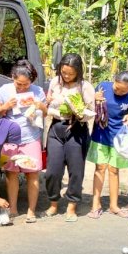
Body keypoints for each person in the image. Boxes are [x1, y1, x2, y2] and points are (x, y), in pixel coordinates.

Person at [0, 60, 47, 223]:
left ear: (32, 81)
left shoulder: (37, 91)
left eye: (26, 84)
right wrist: (6, 106)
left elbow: (45, 113)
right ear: (12, 78)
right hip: (11, 138)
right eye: (18, 84)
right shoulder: (4, 90)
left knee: (32, 173)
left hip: (31, 136)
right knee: (11, 173)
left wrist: (40, 106)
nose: (22, 87)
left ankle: (31, 211)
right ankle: (13, 208)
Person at [44, 53, 96, 222]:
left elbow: (90, 111)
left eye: (70, 73)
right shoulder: (55, 82)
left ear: (78, 72)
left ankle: (72, 205)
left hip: (77, 129)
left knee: (76, 170)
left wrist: (79, 113)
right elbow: (48, 105)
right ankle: (53, 203)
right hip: (56, 128)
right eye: (63, 72)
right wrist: (49, 102)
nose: (66, 76)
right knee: (53, 170)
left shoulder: (85, 86)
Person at [87, 71, 128, 219]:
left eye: (123, 90)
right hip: (100, 135)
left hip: (119, 137)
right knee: (100, 168)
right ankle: (95, 204)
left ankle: (114, 206)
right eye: (117, 87)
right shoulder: (103, 87)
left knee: (114, 170)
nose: (119, 91)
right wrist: (93, 99)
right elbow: (88, 106)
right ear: (113, 80)